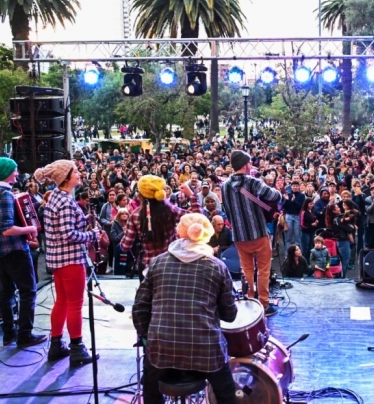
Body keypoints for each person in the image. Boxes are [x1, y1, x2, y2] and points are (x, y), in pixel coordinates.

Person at [132, 213, 238, 404]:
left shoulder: (158, 262)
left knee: (150, 386)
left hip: (162, 346)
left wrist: (150, 336)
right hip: (205, 348)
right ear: (206, 235)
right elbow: (230, 315)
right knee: (227, 392)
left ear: (179, 232)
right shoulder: (217, 267)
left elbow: (139, 308)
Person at [35, 160, 99, 365]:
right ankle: (77, 348)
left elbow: (63, 226)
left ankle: (56, 345)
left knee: (62, 301)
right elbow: (68, 234)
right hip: (70, 260)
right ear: (65, 177)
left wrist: (84, 219)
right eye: (76, 171)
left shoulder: (56, 196)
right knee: (75, 304)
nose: (79, 173)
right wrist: (91, 234)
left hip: (58, 259)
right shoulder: (66, 202)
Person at [0, 158, 45, 348]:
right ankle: (25, 335)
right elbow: (7, 228)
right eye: (14, 170)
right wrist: (30, 228)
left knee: (5, 293)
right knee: (28, 291)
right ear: (5, 172)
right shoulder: (6, 195)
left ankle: (8, 334)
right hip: (16, 250)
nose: (17, 173)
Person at [221, 150, 282, 316]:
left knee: (246, 269)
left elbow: (226, 210)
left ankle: (249, 300)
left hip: (239, 236)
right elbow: (274, 196)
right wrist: (275, 189)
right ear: (244, 164)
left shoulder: (225, 186)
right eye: (249, 162)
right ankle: (264, 304)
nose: (251, 165)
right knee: (263, 270)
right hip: (258, 233)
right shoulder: (252, 182)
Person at [120, 176, 198, 280]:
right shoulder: (170, 210)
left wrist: (125, 232)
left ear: (141, 195)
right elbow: (198, 219)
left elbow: (125, 246)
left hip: (148, 268)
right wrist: (191, 195)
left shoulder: (135, 215)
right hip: (171, 264)